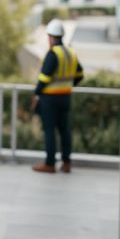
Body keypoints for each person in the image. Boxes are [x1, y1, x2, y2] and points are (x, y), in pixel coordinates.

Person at [31, 19, 84, 174]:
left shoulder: (53, 54)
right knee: (64, 130)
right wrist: (68, 84)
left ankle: (50, 164)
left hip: (50, 99)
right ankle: (66, 163)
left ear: (51, 37)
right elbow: (80, 74)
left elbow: (44, 78)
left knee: (49, 131)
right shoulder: (70, 52)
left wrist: (36, 94)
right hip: (65, 97)